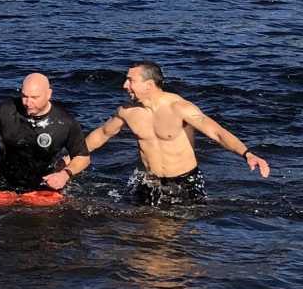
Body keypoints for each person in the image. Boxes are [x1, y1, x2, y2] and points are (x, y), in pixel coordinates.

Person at [84, 62, 271, 206]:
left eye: (130, 80)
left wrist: (247, 154)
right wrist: (75, 155)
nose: (125, 85)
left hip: (184, 181)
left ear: (149, 85)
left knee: (177, 235)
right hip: (148, 181)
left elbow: (217, 132)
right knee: (144, 229)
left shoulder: (179, 108)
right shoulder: (127, 112)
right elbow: (102, 134)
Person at [0, 73, 89, 203]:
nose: (28, 103)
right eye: (24, 96)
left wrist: (65, 174)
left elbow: (83, 157)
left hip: (45, 187)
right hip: (4, 185)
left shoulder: (65, 122)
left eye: (34, 97)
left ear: (49, 94)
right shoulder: (6, 110)